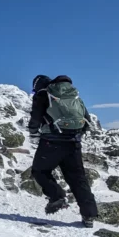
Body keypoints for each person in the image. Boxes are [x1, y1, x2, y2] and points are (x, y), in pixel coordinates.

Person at [28, 75, 99, 227]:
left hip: (51, 142)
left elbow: (36, 117)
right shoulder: (74, 96)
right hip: (73, 143)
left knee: (40, 170)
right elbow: (86, 120)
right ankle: (89, 215)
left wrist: (33, 132)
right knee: (78, 179)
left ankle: (57, 196)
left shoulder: (43, 94)